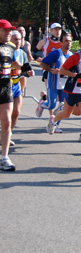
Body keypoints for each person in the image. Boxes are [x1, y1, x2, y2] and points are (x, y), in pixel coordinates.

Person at [47, 32, 81, 151]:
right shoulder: (75, 57)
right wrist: (76, 75)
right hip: (72, 90)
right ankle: (53, 120)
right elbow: (62, 70)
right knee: (67, 114)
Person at [36, 33, 73, 130]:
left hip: (65, 86)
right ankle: (41, 105)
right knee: (51, 105)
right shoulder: (55, 53)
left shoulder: (72, 55)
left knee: (62, 107)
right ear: (61, 43)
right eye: (66, 41)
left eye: (70, 41)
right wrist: (52, 70)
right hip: (53, 83)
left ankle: (55, 125)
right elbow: (42, 64)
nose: (68, 43)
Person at [0, 20, 21, 171]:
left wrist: (27, 68)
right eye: (6, 30)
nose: (9, 33)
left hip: (6, 86)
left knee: (7, 122)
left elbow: (14, 63)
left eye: (10, 31)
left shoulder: (11, 47)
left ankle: (4, 157)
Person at [9, 31, 33, 143]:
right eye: (15, 39)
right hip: (5, 86)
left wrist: (28, 72)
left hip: (16, 85)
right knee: (5, 114)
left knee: (16, 112)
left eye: (19, 39)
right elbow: (17, 65)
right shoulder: (6, 52)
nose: (18, 42)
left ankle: (7, 133)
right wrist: (25, 69)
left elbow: (24, 72)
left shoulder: (22, 53)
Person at [16, 26, 34, 94]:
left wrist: (29, 52)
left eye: (23, 30)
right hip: (15, 67)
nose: (22, 32)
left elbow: (29, 59)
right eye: (19, 31)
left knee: (21, 90)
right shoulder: (13, 43)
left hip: (23, 68)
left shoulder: (27, 44)